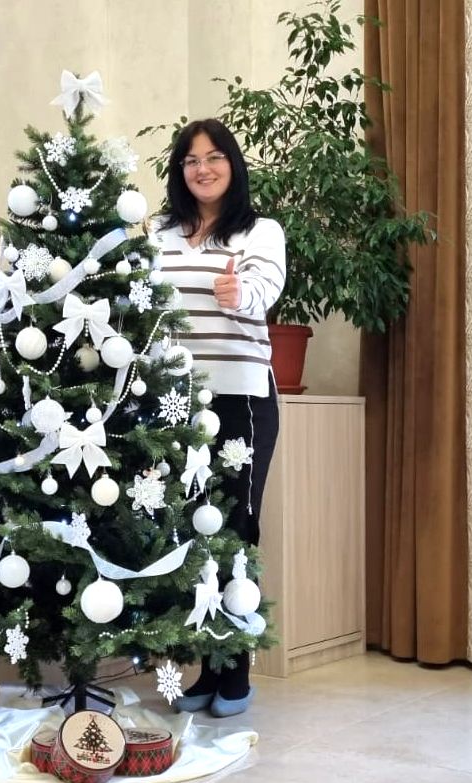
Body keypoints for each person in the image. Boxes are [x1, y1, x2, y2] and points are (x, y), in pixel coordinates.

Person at [148, 118, 285, 718]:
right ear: (180, 172)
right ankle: (199, 663)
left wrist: (239, 297)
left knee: (234, 532)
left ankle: (232, 670)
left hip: (241, 400)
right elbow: (141, 308)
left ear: (233, 164)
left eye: (214, 157)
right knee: (183, 533)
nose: (202, 168)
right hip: (173, 405)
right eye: (190, 160)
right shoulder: (159, 234)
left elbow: (263, 289)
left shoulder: (260, 232)